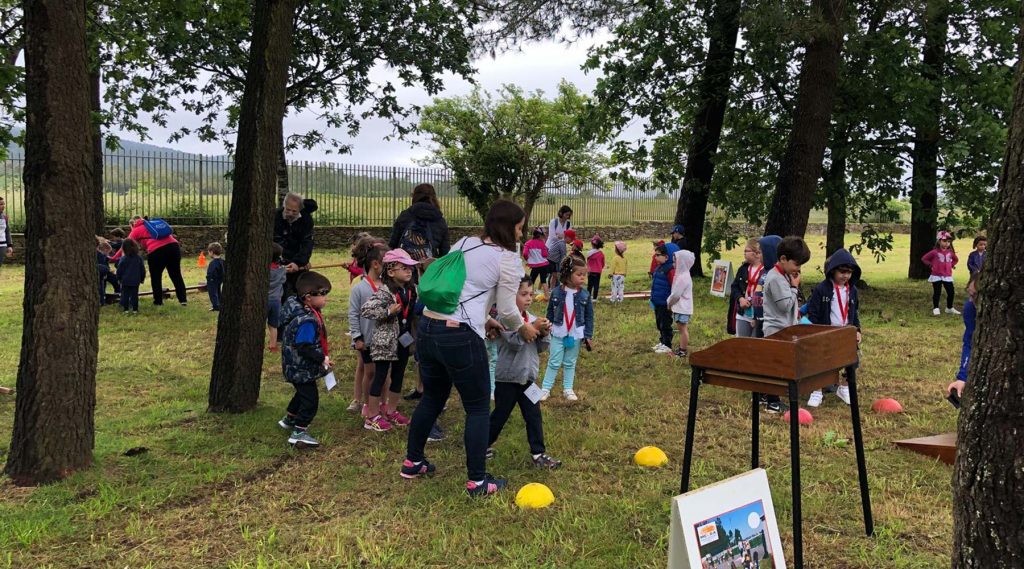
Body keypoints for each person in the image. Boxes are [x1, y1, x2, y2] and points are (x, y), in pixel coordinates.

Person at [402, 199, 538, 497]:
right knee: (477, 407)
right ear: (508, 227)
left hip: (428, 328)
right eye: (518, 228)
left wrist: (485, 319)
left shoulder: (465, 242)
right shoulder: (508, 259)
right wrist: (523, 327)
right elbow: (509, 309)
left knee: (432, 399)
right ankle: (478, 481)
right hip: (460, 337)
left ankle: (412, 462)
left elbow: (460, 288)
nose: (520, 234)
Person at [486, 276, 561, 468]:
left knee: (533, 415)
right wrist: (533, 329)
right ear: (511, 297)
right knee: (500, 415)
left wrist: (544, 333)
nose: (529, 298)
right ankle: (482, 445)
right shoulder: (505, 319)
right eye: (524, 294)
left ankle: (538, 454)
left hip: (528, 379)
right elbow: (514, 343)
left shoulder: (534, 319)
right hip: (508, 379)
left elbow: (541, 347)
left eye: (531, 293)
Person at [360, 248, 420, 432]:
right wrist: (387, 312)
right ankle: (371, 415)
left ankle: (391, 410)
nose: (409, 271)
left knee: (399, 375)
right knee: (381, 376)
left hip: (404, 340)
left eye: (411, 268)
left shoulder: (412, 290)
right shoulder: (384, 292)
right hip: (385, 342)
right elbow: (366, 310)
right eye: (404, 268)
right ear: (391, 271)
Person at [277, 271, 333, 447]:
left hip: (293, 365)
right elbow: (304, 346)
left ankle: (289, 419)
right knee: (310, 401)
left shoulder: (294, 307)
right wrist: (321, 358)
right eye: (323, 294)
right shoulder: (307, 321)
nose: (326, 299)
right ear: (308, 297)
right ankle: (299, 432)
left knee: (302, 394)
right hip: (301, 367)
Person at [805, 248, 862, 407]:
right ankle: (816, 390)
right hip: (825, 332)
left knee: (851, 360)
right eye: (842, 271)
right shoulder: (821, 289)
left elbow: (854, 312)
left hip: (845, 332)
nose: (845, 276)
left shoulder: (853, 291)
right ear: (832, 270)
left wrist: (857, 330)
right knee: (820, 362)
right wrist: (814, 332)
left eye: (849, 272)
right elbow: (813, 312)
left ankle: (843, 387)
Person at [761, 236, 811, 413]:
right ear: (783, 259)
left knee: (777, 363)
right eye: (796, 264)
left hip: (785, 327)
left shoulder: (783, 276)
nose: (798, 269)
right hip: (776, 328)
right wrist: (794, 287)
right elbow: (784, 306)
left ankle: (765, 395)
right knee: (776, 366)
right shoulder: (776, 279)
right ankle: (772, 402)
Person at [540, 254, 594, 402]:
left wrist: (588, 335)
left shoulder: (585, 294)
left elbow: (589, 316)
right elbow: (550, 311)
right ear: (568, 275)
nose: (583, 277)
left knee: (570, 362)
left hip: (575, 334)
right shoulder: (557, 292)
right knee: (554, 361)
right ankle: (545, 388)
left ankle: (568, 388)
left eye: (584, 274)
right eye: (579, 274)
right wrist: (547, 326)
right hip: (558, 332)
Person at [111, 216, 188, 306]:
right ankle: (183, 300)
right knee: (176, 275)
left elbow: (124, 246)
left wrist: (113, 259)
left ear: (132, 224)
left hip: (157, 251)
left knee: (156, 277)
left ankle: (158, 302)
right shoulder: (152, 224)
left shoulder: (136, 229)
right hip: (174, 246)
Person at [348, 236, 386, 415]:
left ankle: (381, 403)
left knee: (384, 372)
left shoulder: (387, 284)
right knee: (365, 368)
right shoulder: (360, 286)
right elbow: (353, 313)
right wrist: (357, 336)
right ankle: (361, 401)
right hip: (365, 337)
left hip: (385, 339)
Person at [388, 183, 450, 269]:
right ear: (434, 198)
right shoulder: (440, 220)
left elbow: (393, 245)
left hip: (404, 269)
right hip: (428, 270)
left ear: (415, 197)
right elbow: (444, 253)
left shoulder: (405, 216)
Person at [274, 192, 318, 299]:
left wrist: (299, 262)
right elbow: (275, 242)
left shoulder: (306, 219)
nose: (290, 213)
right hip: (279, 262)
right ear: (284, 206)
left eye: (294, 211)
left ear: (300, 210)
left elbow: (307, 243)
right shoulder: (275, 217)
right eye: (288, 210)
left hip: (298, 264)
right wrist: (282, 262)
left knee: (300, 294)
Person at [947, 273, 978, 401]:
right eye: (970, 294)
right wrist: (962, 377)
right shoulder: (970, 308)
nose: (972, 299)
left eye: (976, 295)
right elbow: (969, 341)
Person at [728, 239, 762, 337]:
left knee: (755, 346)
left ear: (756, 253)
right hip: (743, 313)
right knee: (741, 344)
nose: (744, 253)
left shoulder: (765, 271)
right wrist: (740, 298)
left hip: (758, 314)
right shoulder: (743, 268)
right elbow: (734, 287)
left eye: (746, 251)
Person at [921, 230, 959, 316]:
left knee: (951, 292)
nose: (947, 243)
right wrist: (931, 265)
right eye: (944, 241)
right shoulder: (934, 252)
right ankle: (936, 308)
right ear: (939, 241)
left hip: (947, 275)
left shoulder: (950, 252)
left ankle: (949, 307)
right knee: (937, 292)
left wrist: (951, 265)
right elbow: (924, 258)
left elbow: (956, 259)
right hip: (937, 275)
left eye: (949, 242)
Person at [651, 242, 680, 353]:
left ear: (666, 256)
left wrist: (671, 303)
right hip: (657, 301)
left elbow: (674, 287)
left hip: (665, 302)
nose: (656, 257)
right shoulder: (659, 268)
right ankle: (662, 341)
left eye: (658, 255)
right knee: (659, 323)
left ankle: (667, 344)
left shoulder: (670, 270)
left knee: (665, 324)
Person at [667, 249, 695, 358]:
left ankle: (682, 351)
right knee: (681, 329)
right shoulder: (683, 275)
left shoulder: (683, 277)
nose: (673, 264)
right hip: (681, 307)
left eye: (675, 261)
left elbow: (676, 295)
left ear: (682, 262)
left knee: (682, 330)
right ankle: (681, 349)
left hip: (682, 308)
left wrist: (668, 303)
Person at [116, 238, 146, 314]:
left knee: (125, 294)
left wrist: (118, 278)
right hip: (136, 280)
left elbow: (119, 269)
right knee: (134, 295)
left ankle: (126, 309)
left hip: (125, 280)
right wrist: (142, 278)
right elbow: (142, 269)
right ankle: (135, 309)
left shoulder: (123, 259)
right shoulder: (139, 258)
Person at [267, 244, 287, 353]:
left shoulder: (263, 270)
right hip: (277, 301)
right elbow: (283, 280)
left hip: (265, 300)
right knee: (273, 325)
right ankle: (273, 345)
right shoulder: (281, 270)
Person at [523, 228, 550, 293]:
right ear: (540, 236)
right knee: (543, 281)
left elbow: (525, 253)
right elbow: (545, 255)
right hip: (544, 265)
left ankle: (530, 296)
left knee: (532, 281)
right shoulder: (542, 243)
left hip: (535, 266)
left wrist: (528, 259)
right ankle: (547, 296)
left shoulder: (528, 243)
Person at [205, 242, 225, 311]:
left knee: (213, 293)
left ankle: (216, 306)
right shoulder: (222, 261)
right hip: (220, 280)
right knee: (218, 292)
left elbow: (210, 273)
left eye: (209, 252)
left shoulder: (213, 263)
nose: (208, 253)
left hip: (212, 280)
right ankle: (220, 304)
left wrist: (208, 279)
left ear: (212, 252)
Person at [586, 235, 605, 301]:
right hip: (598, 272)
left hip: (590, 271)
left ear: (592, 244)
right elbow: (603, 264)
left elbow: (587, 262)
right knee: (596, 285)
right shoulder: (601, 254)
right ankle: (595, 298)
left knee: (589, 285)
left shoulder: (589, 253)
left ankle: (588, 297)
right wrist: (600, 267)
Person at [0, 196, 12, 266]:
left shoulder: (5, 217)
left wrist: (9, 245)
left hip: (2, 246)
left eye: (3, 204)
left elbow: (7, 232)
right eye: (1, 204)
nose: (3, 206)